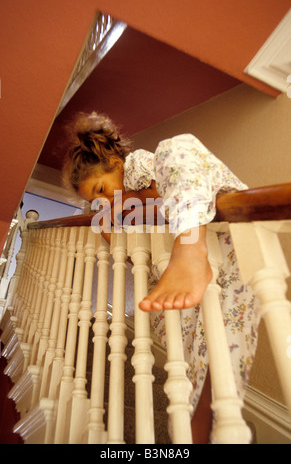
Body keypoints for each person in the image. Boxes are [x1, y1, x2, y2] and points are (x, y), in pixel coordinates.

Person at [62, 111, 259, 444]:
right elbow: (127, 248)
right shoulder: (120, 211)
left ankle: (190, 248)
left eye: (101, 189)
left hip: (228, 246)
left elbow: (171, 183)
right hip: (205, 284)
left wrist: (129, 207)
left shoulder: (140, 168)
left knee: (176, 145)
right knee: (204, 376)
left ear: (114, 163)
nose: (104, 201)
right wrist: (113, 224)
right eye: (95, 201)